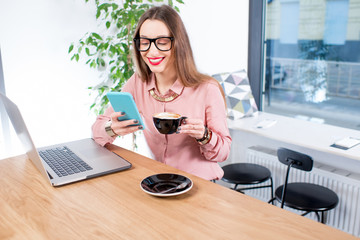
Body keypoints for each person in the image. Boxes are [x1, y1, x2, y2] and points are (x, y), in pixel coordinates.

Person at [92, 5, 232, 180]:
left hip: (202, 185)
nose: (151, 51)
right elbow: (97, 132)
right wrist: (111, 128)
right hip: (161, 182)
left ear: (178, 43)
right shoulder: (137, 82)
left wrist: (204, 135)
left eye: (162, 42)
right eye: (144, 43)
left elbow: (223, 153)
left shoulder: (207, 89)